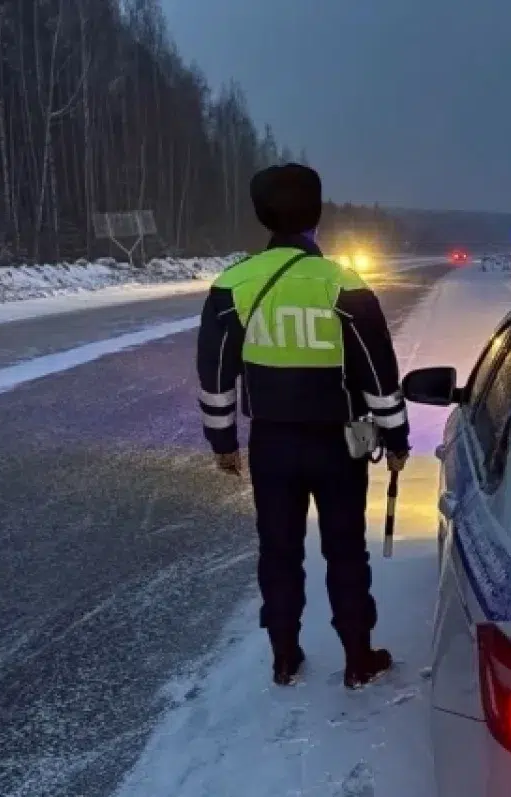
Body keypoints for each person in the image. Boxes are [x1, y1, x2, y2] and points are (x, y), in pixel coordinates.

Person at [195, 163, 410, 690]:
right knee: (345, 549)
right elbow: (378, 371)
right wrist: (396, 435)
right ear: (316, 216)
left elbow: (216, 373)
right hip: (339, 444)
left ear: (261, 214)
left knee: (278, 549)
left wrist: (223, 440)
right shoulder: (343, 284)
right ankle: (358, 656)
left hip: (271, 444)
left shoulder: (232, 285)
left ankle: (285, 656)